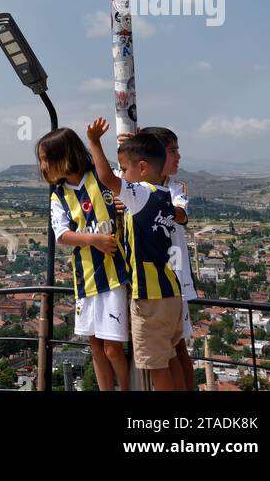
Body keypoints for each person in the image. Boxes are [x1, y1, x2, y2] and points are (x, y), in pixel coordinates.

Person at [87, 119, 183, 392]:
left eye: (125, 169)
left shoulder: (141, 194)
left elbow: (106, 180)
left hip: (150, 300)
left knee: (156, 368)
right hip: (171, 294)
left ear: (141, 169)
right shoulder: (164, 195)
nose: (122, 174)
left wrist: (94, 142)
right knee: (169, 357)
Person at [37, 126, 131, 391]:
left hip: (114, 274)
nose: (43, 166)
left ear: (63, 155)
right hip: (86, 279)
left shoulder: (99, 177)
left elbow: (122, 186)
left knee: (112, 348)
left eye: (46, 158)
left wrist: (98, 142)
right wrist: (94, 241)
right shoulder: (59, 195)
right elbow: (62, 235)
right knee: (96, 347)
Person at [143, 126, 197, 391]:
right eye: (172, 150)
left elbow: (181, 215)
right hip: (150, 279)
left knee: (178, 348)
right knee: (166, 350)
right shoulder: (137, 185)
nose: (178, 156)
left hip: (174, 277)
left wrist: (147, 201)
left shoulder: (176, 188)